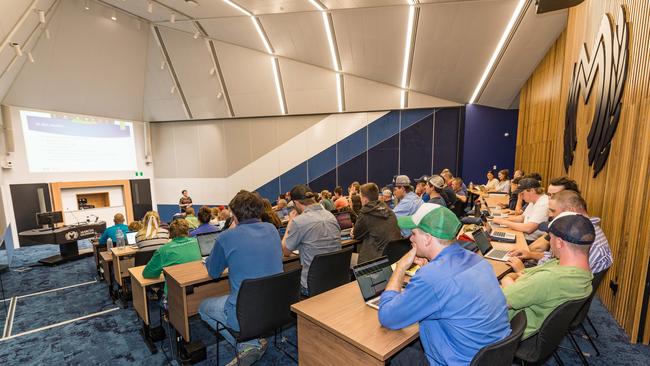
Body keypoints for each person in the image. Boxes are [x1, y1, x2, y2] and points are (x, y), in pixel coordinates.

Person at [379, 203, 511, 365]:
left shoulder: (432, 277)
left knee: (387, 355)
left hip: (459, 361)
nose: (410, 238)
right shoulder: (478, 260)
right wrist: (429, 270)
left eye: (414, 233)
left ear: (427, 238)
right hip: (490, 356)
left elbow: (387, 317)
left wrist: (400, 267)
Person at [199, 190, 283, 365]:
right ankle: (252, 343)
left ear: (234, 214)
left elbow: (213, 272)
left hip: (243, 313)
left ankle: (247, 346)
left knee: (202, 307)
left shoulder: (227, 236)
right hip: (276, 307)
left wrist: (230, 230)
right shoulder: (272, 229)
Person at [501, 214, 594, 339]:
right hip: (528, 319)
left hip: (508, 328)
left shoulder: (550, 279)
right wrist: (517, 279)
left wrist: (506, 278)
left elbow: (501, 300)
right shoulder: (582, 273)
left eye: (550, 238)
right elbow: (522, 274)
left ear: (560, 243)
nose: (550, 242)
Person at [508, 190, 613, 274]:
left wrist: (523, 273)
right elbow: (555, 259)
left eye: (553, 211)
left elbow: (567, 284)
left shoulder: (591, 243)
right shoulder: (575, 230)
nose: (549, 215)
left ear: (570, 210)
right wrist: (530, 255)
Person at [281, 185, 341, 296]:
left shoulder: (299, 222)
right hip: (335, 281)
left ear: (296, 203)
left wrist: (290, 223)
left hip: (311, 286)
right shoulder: (331, 216)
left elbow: (285, 251)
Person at [142, 218, 201, 294]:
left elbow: (147, 274)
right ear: (187, 231)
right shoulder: (198, 242)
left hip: (175, 296)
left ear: (170, 233)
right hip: (199, 290)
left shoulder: (163, 250)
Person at [352, 183, 401, 263]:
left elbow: (357, 235)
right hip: (393, 257)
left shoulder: (366, 213)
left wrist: (353, 231)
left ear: (364, 199)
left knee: (347, 260)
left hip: (375, 262)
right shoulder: (389, 211)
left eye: (360, 196)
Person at [492, 178, 549, 242]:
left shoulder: (543, 203)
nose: (520, 196)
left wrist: (503, 222)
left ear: (532, 191)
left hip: (531, 241)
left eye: (522, 193)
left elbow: (528, 228)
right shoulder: (532, 201)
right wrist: (502, 219)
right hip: (524, 236)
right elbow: (522, 217)